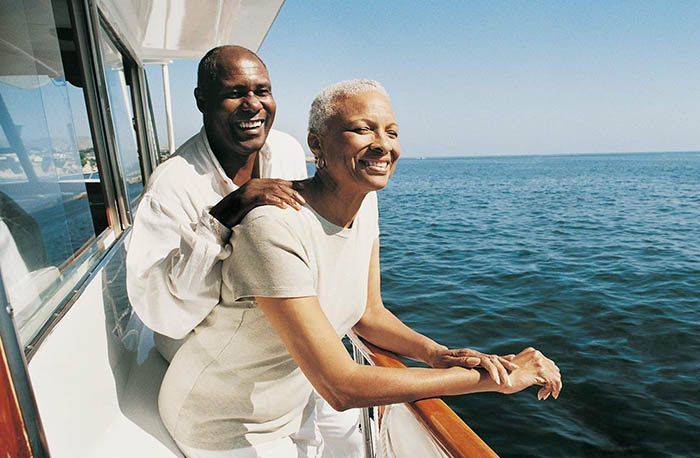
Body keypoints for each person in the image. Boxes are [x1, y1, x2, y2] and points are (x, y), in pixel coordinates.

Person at [158, 79, 562, 458]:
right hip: (222, 423)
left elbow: (369, 314)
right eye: (362, 130)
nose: (382, 145)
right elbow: (340, 385)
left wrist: (439, 354)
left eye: (391, 131)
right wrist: (497, 381)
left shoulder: (364, 203)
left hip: (292, 402)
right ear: (317, 144)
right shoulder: (273, 227)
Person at [126, 45, 307, 360]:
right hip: (201, 351)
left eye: (262, 91)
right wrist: (223, 215)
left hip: (277, 334)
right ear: (202, 101)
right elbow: (164, 317)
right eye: (235, 93)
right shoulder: (170, 185)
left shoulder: (287, 150)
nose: (253, 105)